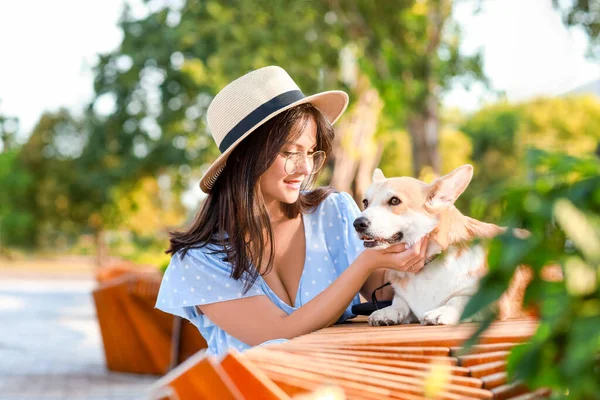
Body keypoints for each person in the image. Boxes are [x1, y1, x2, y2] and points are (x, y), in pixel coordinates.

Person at [155, 66, 429, 357]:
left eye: (311, 152)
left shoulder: (332, 212)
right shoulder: (201, 259)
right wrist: (364, 264)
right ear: (246, 156)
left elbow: (386, 294)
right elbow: (278, 332)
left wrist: (409, 244)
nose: (306, 168)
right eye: (289, 152)